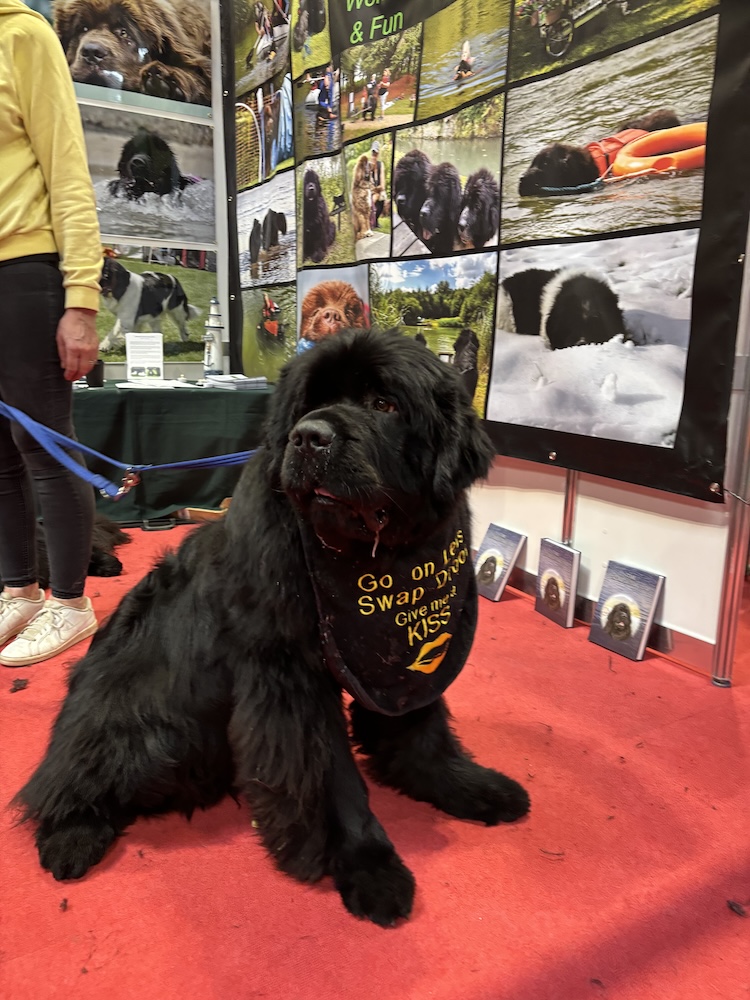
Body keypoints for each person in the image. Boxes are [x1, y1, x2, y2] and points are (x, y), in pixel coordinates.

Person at [0, 0, 102, 666]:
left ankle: (70, 601)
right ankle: (19, 589)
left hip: (25, 271)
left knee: (43, 445)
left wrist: (82, 299)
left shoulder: (23, 34)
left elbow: (68, 170)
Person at [368, 141, 387, 229]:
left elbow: (382, 185)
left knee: (381, 199)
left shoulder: (381, 165)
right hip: (370, 191)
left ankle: (375, 220)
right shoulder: (368, 165)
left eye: (375, 153)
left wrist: (377, 191)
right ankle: (370, 221)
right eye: (373, 153)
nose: (374, 156)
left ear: (378, 153)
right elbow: (368, 184)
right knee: (373, 199)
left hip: (378, 191)